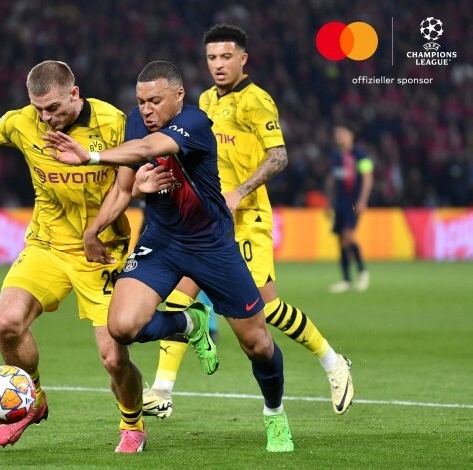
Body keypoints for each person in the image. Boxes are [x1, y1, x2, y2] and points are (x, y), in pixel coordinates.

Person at [45, 60, 294, 452]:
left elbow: (146, 150)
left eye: (155, 101)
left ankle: (274, 413)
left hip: (211, 245)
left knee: (258, 344)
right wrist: (94, 228)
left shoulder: (195, 122)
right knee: (122, 327)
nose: (146, 110)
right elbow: (126, 187)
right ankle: (189, 321)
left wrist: (91, 157)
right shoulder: (135, 122)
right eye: (141, 101)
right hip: (161, 243)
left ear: (178, 96)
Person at [0, 61, 146, 453]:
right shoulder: (23, 122)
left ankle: (132, 425)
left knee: (113, 358)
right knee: (7, 323)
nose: (46, 118)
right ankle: (32, 398)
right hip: (46, 245)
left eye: (52, 108)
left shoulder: (112, 123)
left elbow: (126, 185)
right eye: (38, 109)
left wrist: (94, 231)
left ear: (74, 93)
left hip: (100, 252)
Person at [141, 24, 354, 418]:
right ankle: (161, 390)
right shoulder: (203, 100)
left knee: (266, 310)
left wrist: (239, 192)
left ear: (243, 59)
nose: (218, 65)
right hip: (205, 221)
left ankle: (333, 362)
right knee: (177, 296)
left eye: (226, 57)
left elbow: (278, 157)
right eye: (211, 57)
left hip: (247, 218)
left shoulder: (257, 101)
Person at [326, 124, 374, 293]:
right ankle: (346, 279)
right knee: (340, 239)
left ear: (351, 135)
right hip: (339, 203)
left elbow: (368, 178)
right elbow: (332, 180)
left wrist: (362, 200)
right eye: (336, 134)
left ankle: (362, 272)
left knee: (348, 236)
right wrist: (329, 202)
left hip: (353, 203)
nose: (338, 137)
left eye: (342, 133)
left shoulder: (361, 155)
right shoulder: (335, 156)